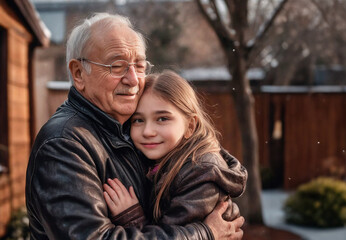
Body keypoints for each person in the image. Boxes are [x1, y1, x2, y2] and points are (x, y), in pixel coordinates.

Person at [25, 13, 244, 239]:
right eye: (117, 66)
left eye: (139, 66)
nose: (133, 79)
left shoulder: (129, 131)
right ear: (79, 73)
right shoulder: (64, 144)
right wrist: (204, 234)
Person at [102, 71, 247, 229]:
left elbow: (174, 234)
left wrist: (132, 219)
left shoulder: (202, 173)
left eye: (162, 119)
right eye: (138, 120)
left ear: (190, 126)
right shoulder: (156, 163)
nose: (147, 131)